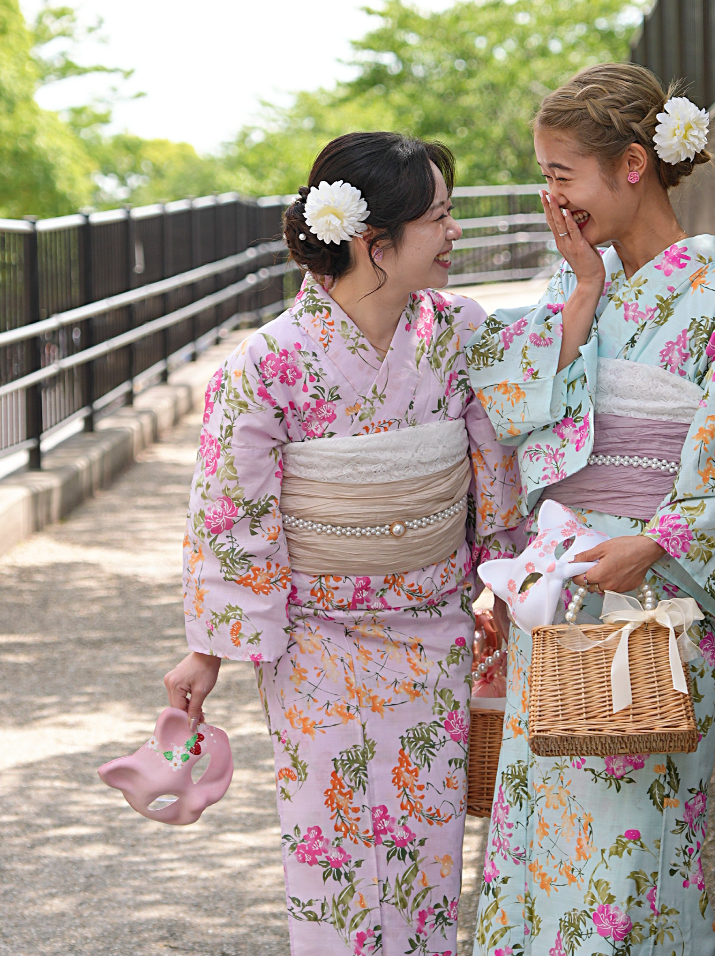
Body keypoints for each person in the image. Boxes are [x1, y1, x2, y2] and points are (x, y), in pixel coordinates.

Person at [465, 63, 715, 955]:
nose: (551, 198)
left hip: (650, 602)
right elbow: (509, 412)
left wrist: (649, 546)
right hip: (556, 591)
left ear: (632, 165)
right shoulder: (573, 291)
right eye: (544, 178)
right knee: (539, 847)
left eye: (560, 175)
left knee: (628, 858)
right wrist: (580, 293)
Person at [165, 132, 525, 955]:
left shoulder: (460, 334)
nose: (454, 234)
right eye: (439, 218)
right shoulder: (267, 365)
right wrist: (208, 655)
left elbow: (497, 465)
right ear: (375, 244)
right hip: (315, 646)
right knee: (330, 856)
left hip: (434, 633)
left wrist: (504, 588)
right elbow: (232, 514)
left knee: (427, 853)